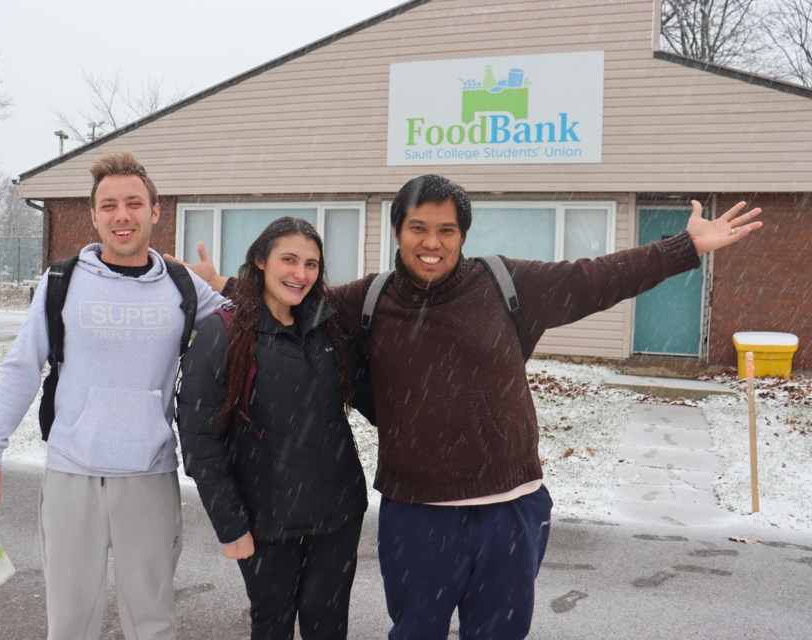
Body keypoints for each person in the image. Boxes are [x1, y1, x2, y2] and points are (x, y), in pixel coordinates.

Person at [182, 174, 762, 639]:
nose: (431, 242)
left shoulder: (508, 284)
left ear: (463, 235)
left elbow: (597, 278)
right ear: (397, 231)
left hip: (511, 510)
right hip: (417, 514)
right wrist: (230, 286)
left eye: (446, 230)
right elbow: (291, 293)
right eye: (417, 227)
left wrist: (685, 247)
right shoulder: (369, 297)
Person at [0, 152, 224, 640]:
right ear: (93, 216)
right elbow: (21, 368)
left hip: (149, 475)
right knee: (69, 623)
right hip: (71, 474)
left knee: (152, 622)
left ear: (155, 211)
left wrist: (219, 281)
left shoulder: (183, 286)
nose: (121, 215)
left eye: (133, 203)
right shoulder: (61, 283)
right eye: (108, 205)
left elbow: (254, 321)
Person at [177, 217, 375, 640]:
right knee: (272, 625)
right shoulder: (224, 334)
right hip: (265, 522)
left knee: (328, 625)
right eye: (289, 260)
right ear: (261, 261)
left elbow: (375, 399)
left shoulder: (331, 328)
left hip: (337, 517)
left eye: (311, 264)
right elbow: (199, 440)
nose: (300, 274)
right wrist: (231, 526)